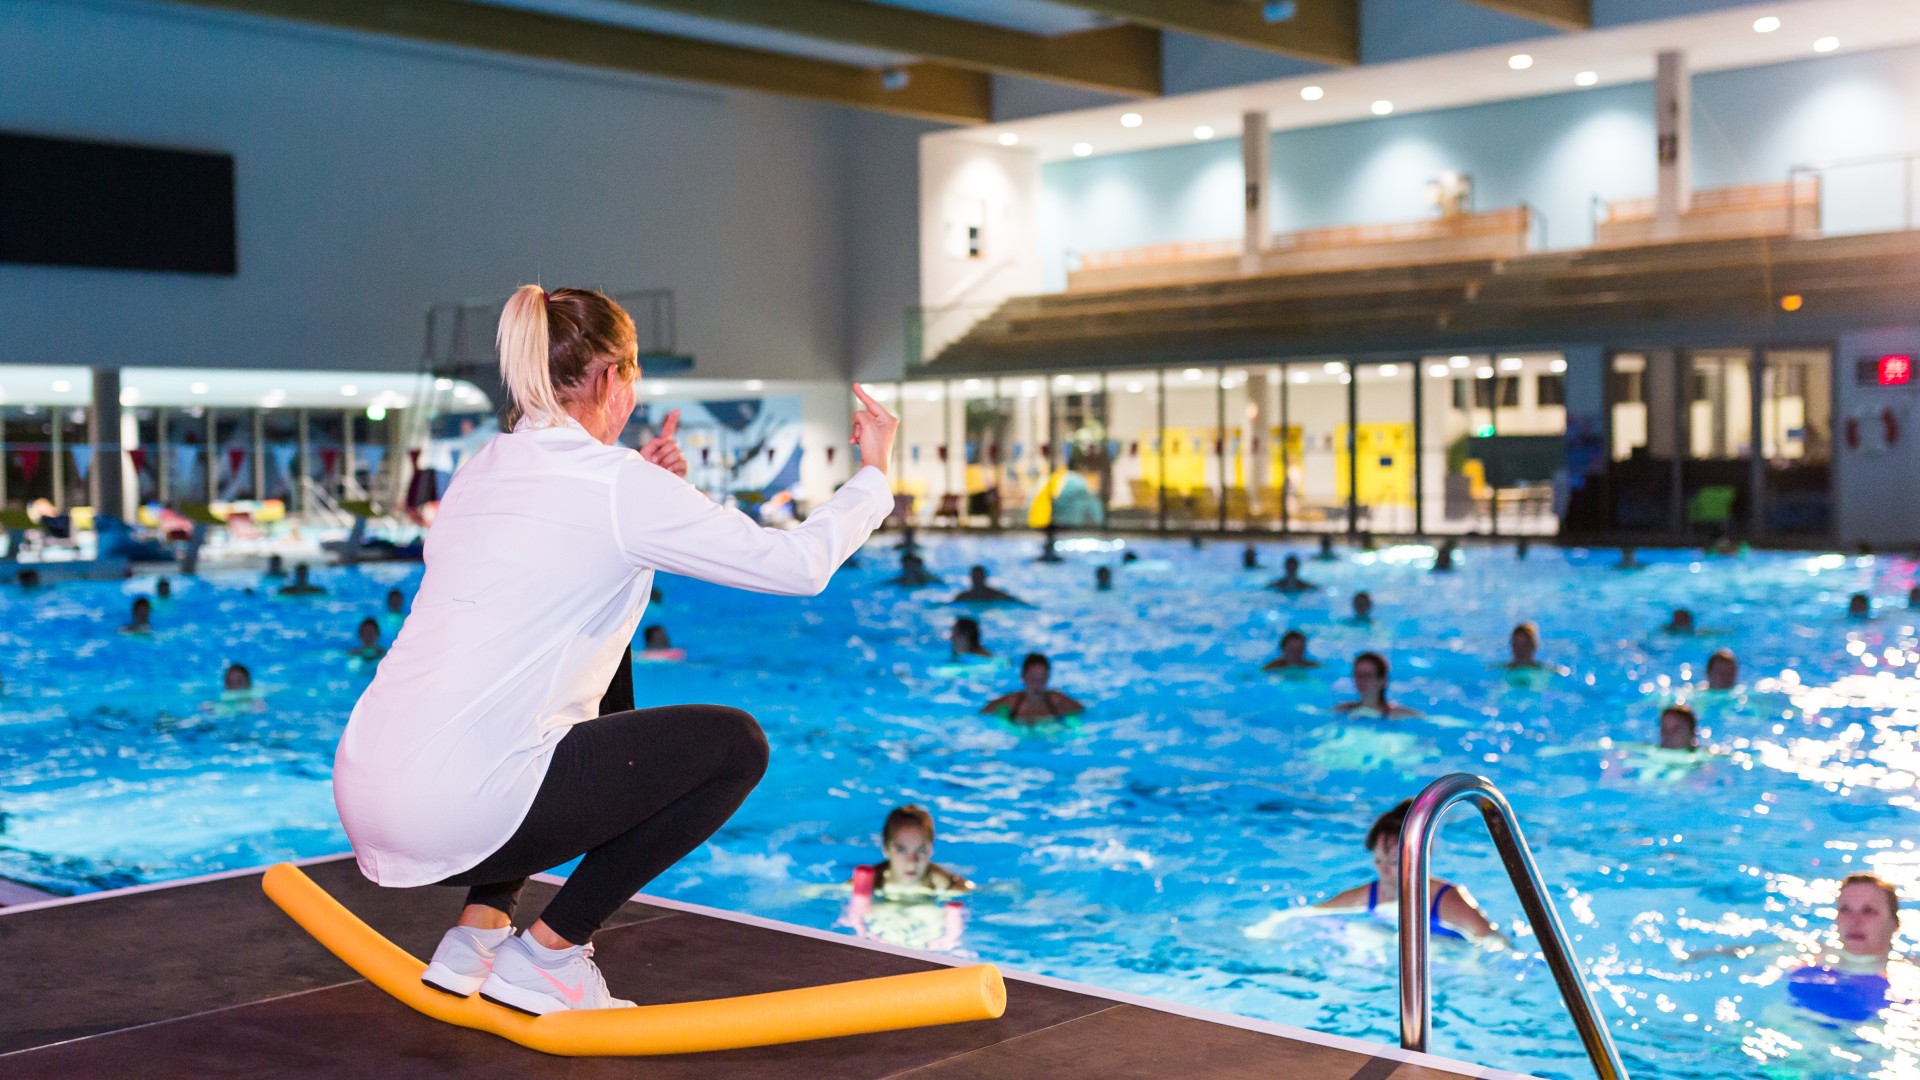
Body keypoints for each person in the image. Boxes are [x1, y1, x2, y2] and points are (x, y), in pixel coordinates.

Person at [333, 284, 898, 1015]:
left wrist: (646, 486)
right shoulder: (615, 485)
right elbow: (798, 566)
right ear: (610, 378)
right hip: (461, 818)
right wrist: (876, 475)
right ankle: (550, 952)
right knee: (736, 747)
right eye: (633, 374)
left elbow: (567, 561)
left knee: (602, 659)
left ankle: (479, 927)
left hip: (367, 798)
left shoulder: (484, 469)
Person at [1245, 799, 1501, 944]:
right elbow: (1306, 913)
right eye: (1378, 860)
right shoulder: (1370, 895)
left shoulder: (1444, 899)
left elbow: (1493, 941)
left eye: (1392, 862)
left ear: (1421, 858)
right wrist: (1266, 927)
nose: (1383, 871)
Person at [857, 805, 973, 896]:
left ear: (930, 849)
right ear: (886, 849)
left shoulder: (949, 886)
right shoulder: (867, 883)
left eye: (921, 850)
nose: (912, 861)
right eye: (901, 850)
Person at [983, 653, 1084, 723]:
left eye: (1041, 678)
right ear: (1023, 677)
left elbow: (1082, 713)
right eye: (1033, 678)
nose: (1037, 683)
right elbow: (983, 714)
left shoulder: (1058, 702)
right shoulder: (1010, 703)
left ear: (1047, 678)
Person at [1335, 652, 1422, 719]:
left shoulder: (1400, 714)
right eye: (1358, 675)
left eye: (1367, 676)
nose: (1361, 680)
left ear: (1382, 680)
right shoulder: (1343, 710)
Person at [953, 564, 1021, 604]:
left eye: (979, 577)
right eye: (975, 577)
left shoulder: (994, 594)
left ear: (984, 578)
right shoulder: (964, 596)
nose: (977, 580)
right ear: (971, 578)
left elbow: (1014, 600)